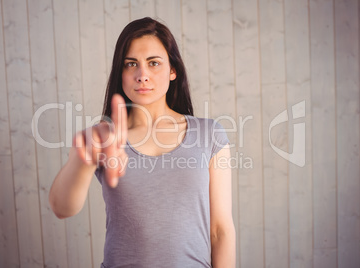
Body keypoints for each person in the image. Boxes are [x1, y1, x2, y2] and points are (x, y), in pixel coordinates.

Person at [49, 17, 236, 267]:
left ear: (173, 70)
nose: (142, 75)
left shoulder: (209, 134)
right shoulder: (105, 139)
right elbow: (62, 208)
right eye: (131, 64)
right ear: (121, 73)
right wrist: (84, 160)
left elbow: (220, 230)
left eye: (154, 63)